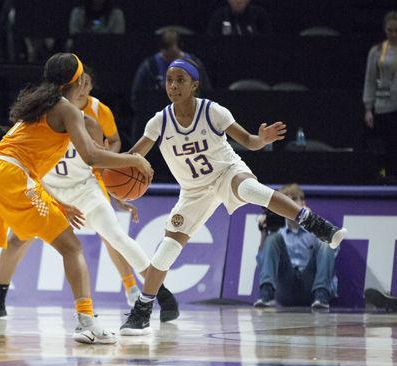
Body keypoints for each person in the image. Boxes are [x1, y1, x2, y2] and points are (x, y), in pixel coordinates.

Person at [0, 53, 153, 345]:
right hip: (13, 177)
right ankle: (86, 322)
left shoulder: (37, 103)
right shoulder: (67, 110)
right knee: (72, 248)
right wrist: (133, 160)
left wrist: (59, 204)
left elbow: (33, 162)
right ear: (77, 82)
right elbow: (90, 156)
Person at [119, 59, 347, 335]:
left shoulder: (213, 111)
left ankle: (315, 224)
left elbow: (249, 141)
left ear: (194, 85)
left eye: (180, 80)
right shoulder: (160, 121)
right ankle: (143, 310)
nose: (173, 85)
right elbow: (132, 158)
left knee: (253, 190)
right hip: (193, 191)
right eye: (169, 80)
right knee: (166, 249)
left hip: (227, 173)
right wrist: (106, 163)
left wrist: (261, 140)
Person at [0, 69, 179, 322]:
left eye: (86, 84)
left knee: (116, 236)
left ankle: (160, 293)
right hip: (48, 189)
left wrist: (116, 195)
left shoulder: (92, 124)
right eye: (80, 84)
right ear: (67, 88)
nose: (84, 89)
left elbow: (98, 164)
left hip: (84, 190)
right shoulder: (38, 118)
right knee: (17, 240)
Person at [253, 184, 338, 310]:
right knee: (272, 239)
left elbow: (333, 249)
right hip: (285, 289)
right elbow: (261, 263)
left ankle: (321, 296)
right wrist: (264, 233)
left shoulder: (317, 227)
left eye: (293, 200)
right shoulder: (278, 234)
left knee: (325, 241)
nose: (288, 205)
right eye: (284, 201)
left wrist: (312, 223)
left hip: (311, 288)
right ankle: (267, 296)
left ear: (303, 202)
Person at [130, 26, 212, 143]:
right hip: (157, 117)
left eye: (174, 56)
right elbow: (136, 98)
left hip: (190, 116)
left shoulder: (194, 64)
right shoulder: (149, 66)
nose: (171, 62)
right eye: (167, 57)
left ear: (180, 48)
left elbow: (206, 92)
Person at [363, 10, 397, 179]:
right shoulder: (377, 51)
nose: (393, 34)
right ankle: (389, 180)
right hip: (384, 106)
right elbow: (370, 80)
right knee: (389, 147)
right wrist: (368, 108)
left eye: (396, 30)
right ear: (385, 30)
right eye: (390, 30)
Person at [206, 0, 272, 36]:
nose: (238, 1)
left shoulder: (259, 14)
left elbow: (269, 42)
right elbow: (210, 42)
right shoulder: (219, 15)